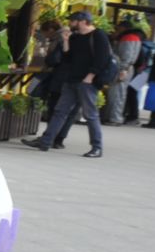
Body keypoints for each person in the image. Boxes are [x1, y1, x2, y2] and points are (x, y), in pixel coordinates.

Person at [21, 10, 116, 157]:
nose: (70, 23)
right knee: (60, 111)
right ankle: (46, 142)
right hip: (71, 80)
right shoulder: (76, 37)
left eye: (72, 21)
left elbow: (102, 59)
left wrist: (90, 76)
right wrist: (66, 40)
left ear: (82, 21)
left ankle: (97, 147)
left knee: (90, 114)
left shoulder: (98, 35)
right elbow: (67, 57)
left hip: (87, 82)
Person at [103, 19, 141, 125]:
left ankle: (115, 118)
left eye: (118, 27)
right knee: (118, 94)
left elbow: (126, 56)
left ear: (124, 28)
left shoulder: (128, 38)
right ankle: (113, 117)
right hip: (126, 68)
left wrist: (123, 69)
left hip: (122, 69)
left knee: (117, 94)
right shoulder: (133, 37)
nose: (116, 29)